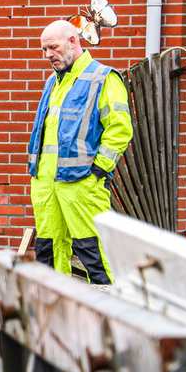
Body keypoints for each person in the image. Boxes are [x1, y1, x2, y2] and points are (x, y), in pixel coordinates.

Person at [27, 20, 133, 285]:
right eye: (43, 50)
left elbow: (120, 130)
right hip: (46, 184)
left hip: (81, 183)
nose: (48, 55)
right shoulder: (53, 82)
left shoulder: (103, 78)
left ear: (73, 41)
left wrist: (99, 170)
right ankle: (54, 309)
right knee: (48, 251)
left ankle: (111, 312)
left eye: (52, 47)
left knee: (92, 250)